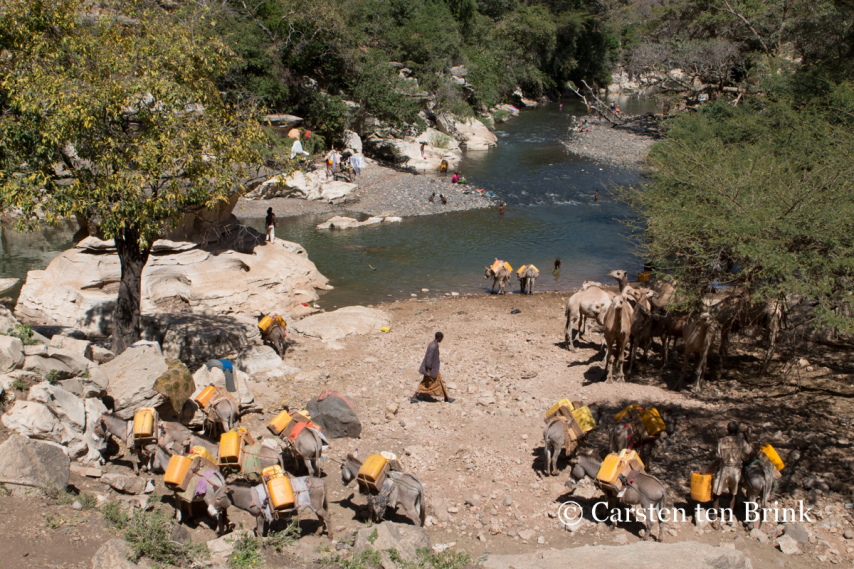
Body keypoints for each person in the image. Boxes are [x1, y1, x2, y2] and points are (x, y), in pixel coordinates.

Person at [712, 422, 751, 524]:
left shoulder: (721, 441)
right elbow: (748, 453)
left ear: (727, 430)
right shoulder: (741, 442)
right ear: (737, 431)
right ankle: (730, 516)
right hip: (736, 470)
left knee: (716, 492)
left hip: (724, 469)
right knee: (733, 493)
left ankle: (715, 516)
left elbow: (718, 457)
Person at [411, 332, 454, 403]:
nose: (442, 340)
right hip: (431, 370)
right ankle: (414, 396)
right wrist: (428, 370)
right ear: (439, 338)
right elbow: (429, 358)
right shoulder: (433, 346)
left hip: (433, 368)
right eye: (442, 338)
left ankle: (447, 398)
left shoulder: (434, 344)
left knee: (440, 381)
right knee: (424, 384)